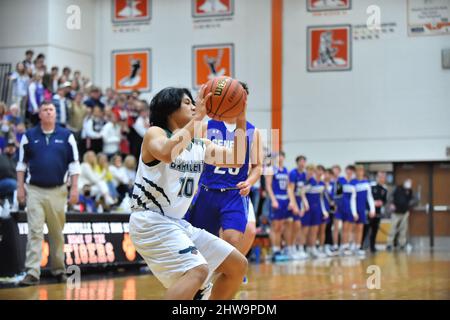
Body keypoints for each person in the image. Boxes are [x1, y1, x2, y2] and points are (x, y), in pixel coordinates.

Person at [129, 86, 248, 300]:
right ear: (169, 109)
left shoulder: (199, 144)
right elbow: (167, 153)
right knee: (198, 271)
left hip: (177, 224)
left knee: (237, 266)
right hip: (150, 221)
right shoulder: (155, 133)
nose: (194, 106)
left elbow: (237, 159)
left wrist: (240, 116)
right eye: (187, 103)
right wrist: (199, 118)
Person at [184, 82, 262, 256]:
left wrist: (249, 182)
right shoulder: (206, 126)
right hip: (207, 190)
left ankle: (232, 272)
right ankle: (206, 275)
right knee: (200, 239)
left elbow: (258, 167)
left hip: (234, 192)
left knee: (234, 237)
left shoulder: (252, 131)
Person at [16, 102, 80, 286]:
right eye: (45, 110)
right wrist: (20, 188)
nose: (49, 112)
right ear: (40, 114)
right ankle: (32, 272)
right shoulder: (29, 136)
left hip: (58, 191)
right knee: (35, 232)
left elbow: (74, 165)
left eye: (51, 109)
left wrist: (74, 188)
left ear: (55, 114)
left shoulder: (67, 136)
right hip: (34, 190)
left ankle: (59, 270)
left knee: (57, 233)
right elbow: (21, 165)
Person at [265, 151, 291, 261]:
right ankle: (274, 249)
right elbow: (268, 186)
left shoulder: (285, 170)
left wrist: (291, 201)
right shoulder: (270, 169)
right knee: (275, 226)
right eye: (278, 156)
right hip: (276, 199)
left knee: (281, 226)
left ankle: (279, 248)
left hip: (285, 199)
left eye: (282, 156)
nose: (280, 158)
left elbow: (288, 187)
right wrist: (273, 200)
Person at [303, 164, 328, 258]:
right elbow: (302, 193)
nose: (320, 172)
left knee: (314, 230)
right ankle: (304, 248)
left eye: (322, 170)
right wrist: (305, 205)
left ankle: (312, 248)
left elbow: (321, 199)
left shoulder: (322, 184)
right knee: (306, 230)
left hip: (317, 209)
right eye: (318, 170)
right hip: (308, 209)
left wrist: (324, 211)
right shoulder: (310, 181)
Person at [349, 165, 375, 256]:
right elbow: (352, 199)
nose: (359, 172)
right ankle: (350, 245)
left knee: (360, 228)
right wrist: (354, 212)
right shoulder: (352, 183)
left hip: (362, 209)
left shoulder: (366, 183)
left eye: (361, 171)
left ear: (363, 172)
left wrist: (372, 209)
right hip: (353, 209)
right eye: (358, 171)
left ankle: (358, 246)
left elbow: (370, 197)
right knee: (352, 228)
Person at [287, 155, 309, 259]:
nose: (303, 163)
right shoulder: (293, 173)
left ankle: (294, 247)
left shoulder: (304, 174)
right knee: (295, 226)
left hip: (299, 200)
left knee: (298, 226)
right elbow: (290, 190)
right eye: (301, 161)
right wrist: (294, 204)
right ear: (297, 162)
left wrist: (304, 204)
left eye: (304, 161)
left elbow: (302, 191)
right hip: (292, 201)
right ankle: (290, 248)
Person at [386, 179, 417, 251]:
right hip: (395, 212)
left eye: (410, 183)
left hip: (405, 213)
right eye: (408, 183)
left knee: (403, 229)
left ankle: (402, 244)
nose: (409, 184)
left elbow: (415, 199)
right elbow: (389, 196)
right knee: (392, 228)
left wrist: (409, 204)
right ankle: (389, 244)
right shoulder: (397, 188)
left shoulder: (410, 191)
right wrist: (391, 204)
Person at [363, 171, 388, 253]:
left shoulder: (384, 189)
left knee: (375, 230)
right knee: (365, 230)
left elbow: (385, 200)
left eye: (383, 177)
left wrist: (382, 203)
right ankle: (361, 246)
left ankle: (372, 247)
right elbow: (366, 199)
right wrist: (373, 203)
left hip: (378, 212)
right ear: (377, 177)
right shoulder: (371, 186)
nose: (382, 179)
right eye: (380, 177)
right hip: (369, 212)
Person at [336, 165, 357, 255]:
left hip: (349, 208)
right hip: (340, 207)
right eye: (348, 170)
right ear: (345, 170)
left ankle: (346, 245)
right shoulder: (340, 180)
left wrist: (354, 211)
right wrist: (338, 205)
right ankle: (338, 246)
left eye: (352, 170)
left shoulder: (354, 182)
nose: (350, 172)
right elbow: (338, 194)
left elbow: (354, 198)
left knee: (347, 227)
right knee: (339, 228)